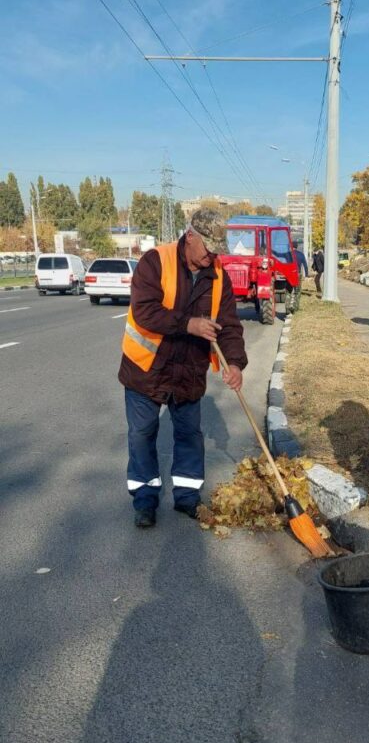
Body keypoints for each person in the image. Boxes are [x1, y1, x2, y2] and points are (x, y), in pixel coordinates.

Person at [118, 224, 247, 528]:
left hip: (188, 371)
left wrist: (236, 363)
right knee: (142, 435)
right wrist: (189, 324)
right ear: (190, 236)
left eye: (218, 248)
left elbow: (228, 326)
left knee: (189, 435)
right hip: (146, 369)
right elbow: (144, 311)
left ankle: (188, 497)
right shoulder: (155, 261)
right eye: (208, 246)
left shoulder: (218, 276)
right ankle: (145, 499)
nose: (212, 254)